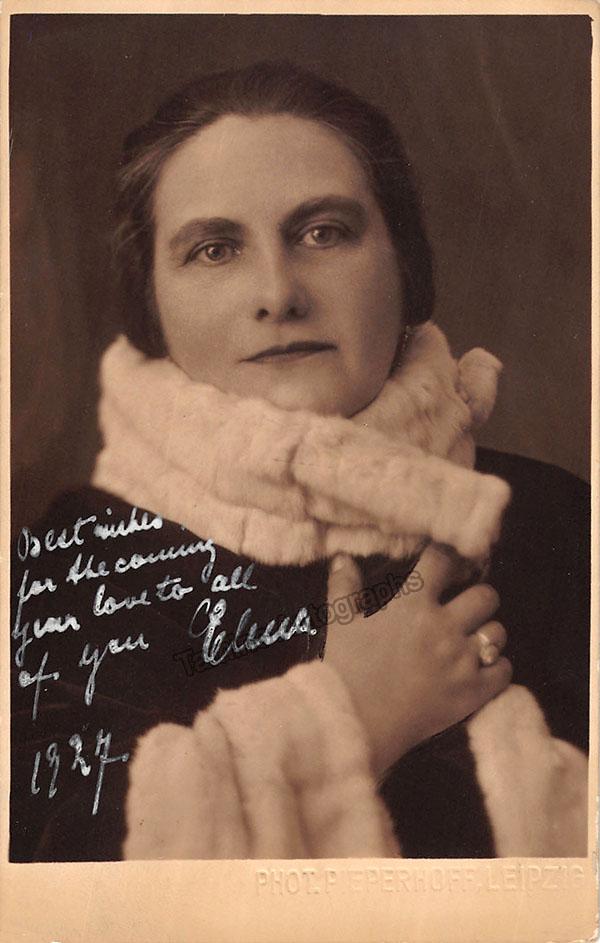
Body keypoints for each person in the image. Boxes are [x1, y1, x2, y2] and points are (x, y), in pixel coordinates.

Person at [10, 61, 589, 862]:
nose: (277, 293)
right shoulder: (68, 570)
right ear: (152, 306)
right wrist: (351, 716)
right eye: (215, 250)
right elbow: (57, 886)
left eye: (324, 233)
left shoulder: (560, 522)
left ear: (406, 266)